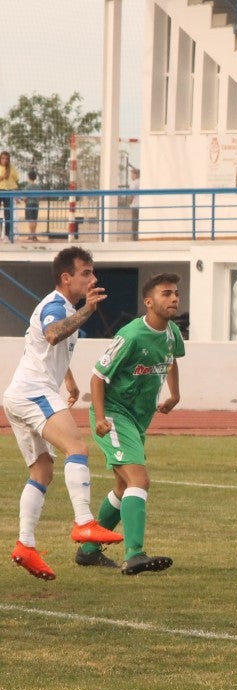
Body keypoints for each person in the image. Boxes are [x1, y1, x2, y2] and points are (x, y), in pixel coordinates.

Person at [5, 247, 122, 580]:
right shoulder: (57, 306)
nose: (93, 278)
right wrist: (87, 310)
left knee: (42, 471)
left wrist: (67, 378)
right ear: (66, 278)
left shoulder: (62, 307)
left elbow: (44, 344)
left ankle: (25, 545)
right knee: (78, 448)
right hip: (33, 393)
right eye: (86, 272)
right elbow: (54, 332)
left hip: (23, 393)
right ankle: (84, 522)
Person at [79, 273, 183, 575]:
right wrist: (100, 418)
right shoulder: (132, 335)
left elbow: (172, 358)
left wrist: (175, 394)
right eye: (166, 294)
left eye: (176, 293)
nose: (174, 298)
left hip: (138, 419)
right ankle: (135, 554)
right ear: (149, 302)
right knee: (140, 480)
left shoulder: (172, 331)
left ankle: (88, 549)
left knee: (124, 487)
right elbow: (98, 377)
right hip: (113, 414)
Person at [0, 150, 17, 242]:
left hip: (8, 192)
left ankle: (7, 235)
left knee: (8, 215)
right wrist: (2, 177)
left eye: (7, 158)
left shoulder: (12, 168)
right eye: (3, 158)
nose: (5, 160)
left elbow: (16, 179)